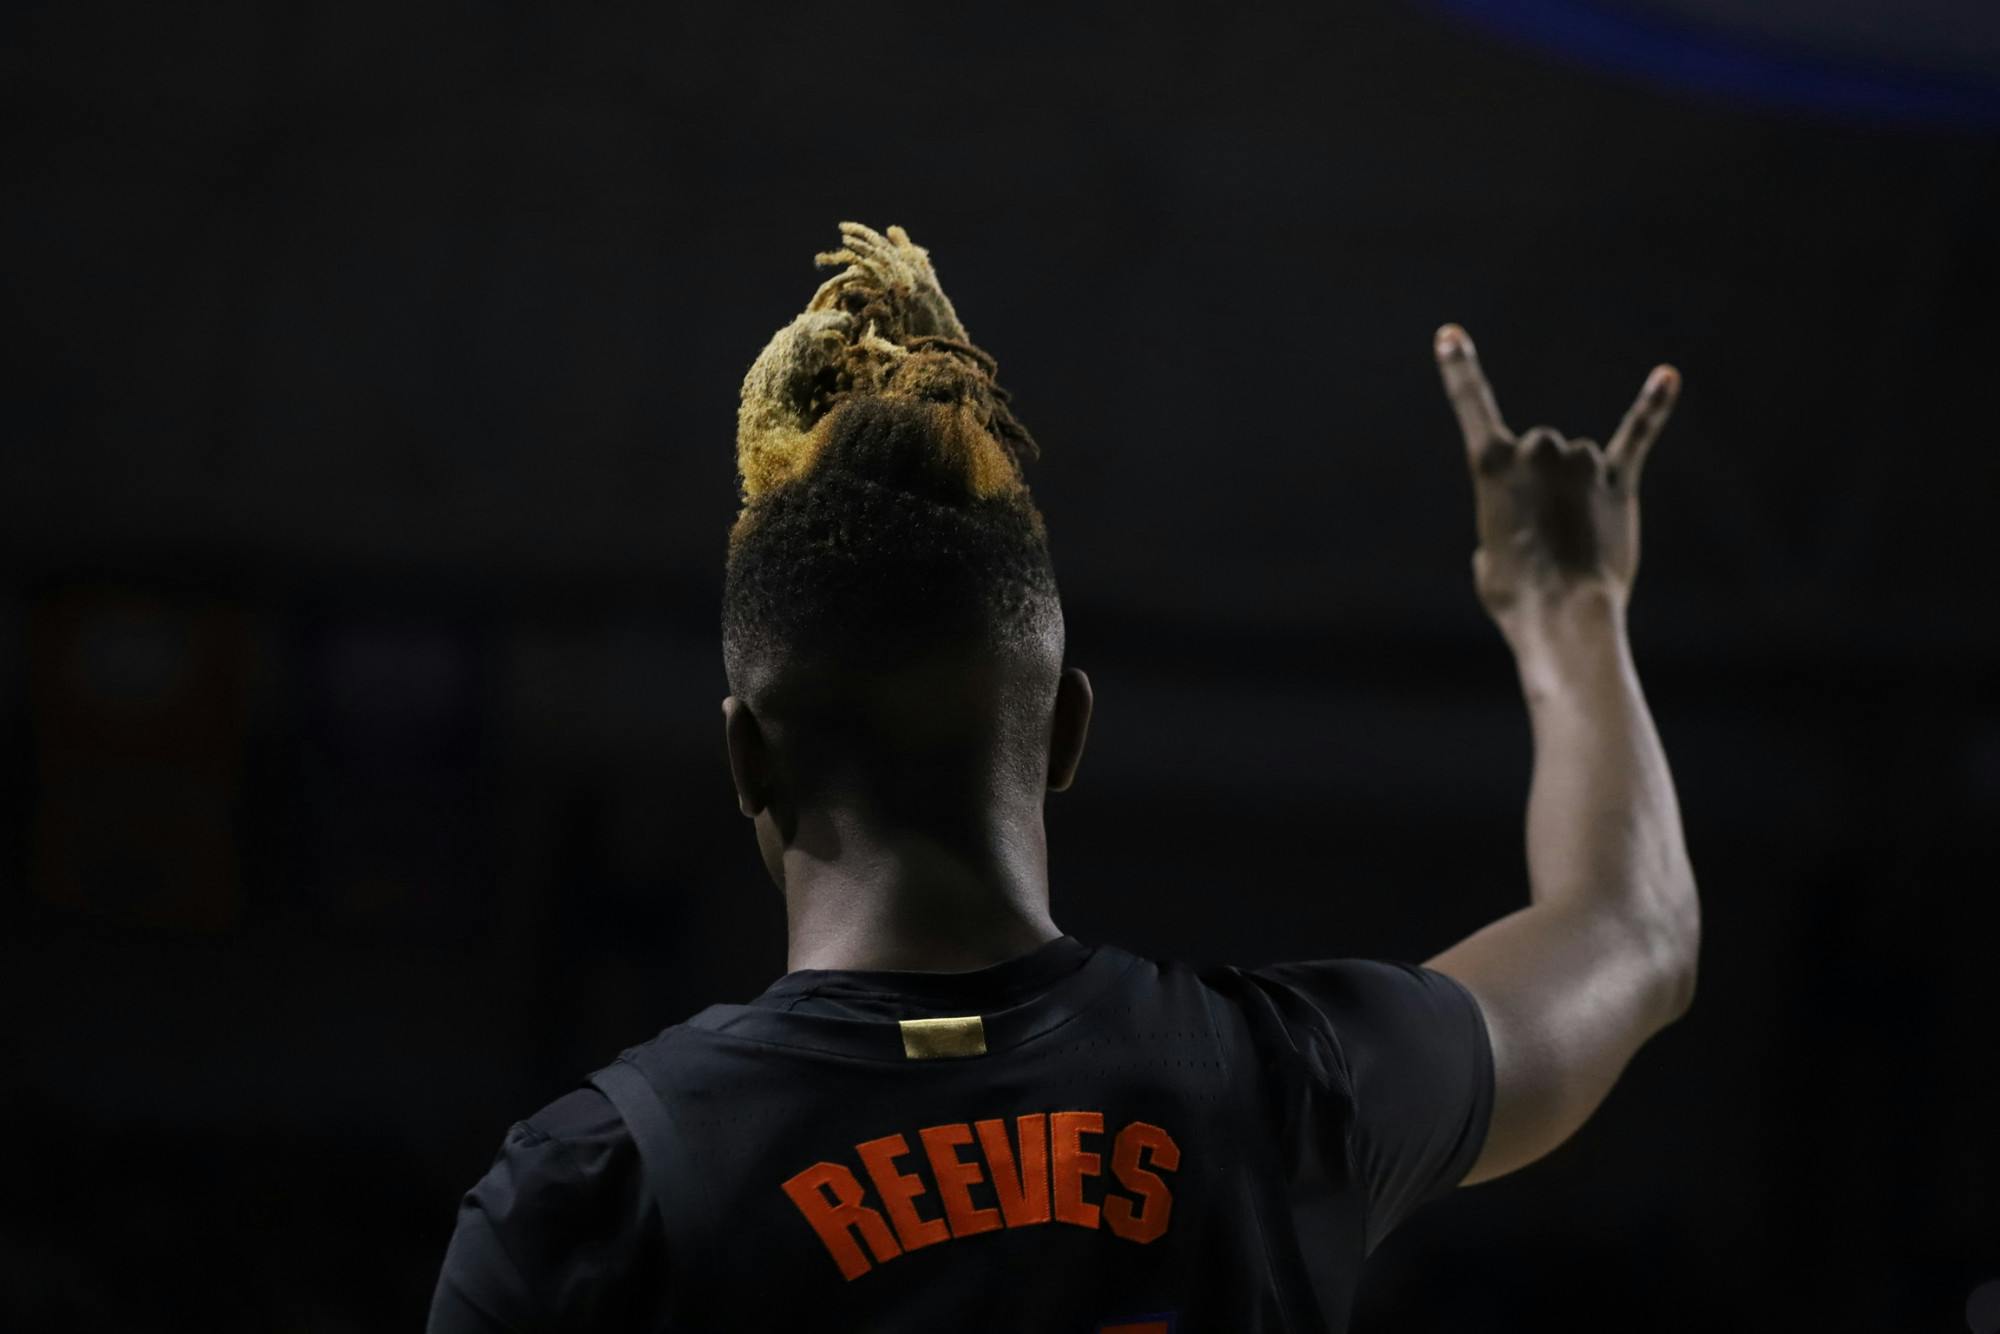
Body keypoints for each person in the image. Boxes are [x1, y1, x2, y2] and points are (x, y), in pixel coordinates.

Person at [427, 222, 1700, 1333]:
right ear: (1066, 731)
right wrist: (1566, 605)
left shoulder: (595, 1190)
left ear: (746, 759)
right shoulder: (1286, 1084)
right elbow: (1633, 932)